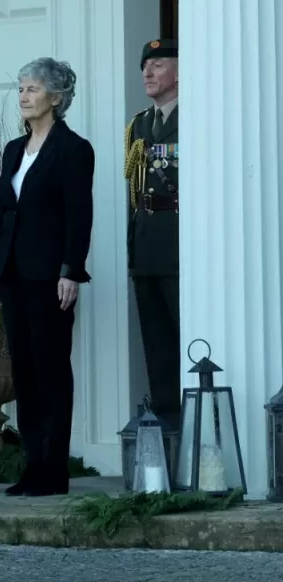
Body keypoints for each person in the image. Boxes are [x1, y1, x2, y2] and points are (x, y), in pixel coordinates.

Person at [0, 58, 95, 497]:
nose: (24, 96)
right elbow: (2, 218)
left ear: (57, 97)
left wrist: (71, 270)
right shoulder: (13, 149)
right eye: (21, 88)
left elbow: (78, 216)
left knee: (50, 370)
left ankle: (53, 468)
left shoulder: (74, 148)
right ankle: (32, 464)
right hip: (12, 275)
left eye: (31, 89)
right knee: (24, 371)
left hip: (51, 277)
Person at [125, 39, 180, 428]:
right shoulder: (140, 123)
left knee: (184, 335)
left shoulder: (197, 113)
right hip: (147, 243)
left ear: (179, 70)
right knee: (156, 343)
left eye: (158, 64)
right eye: (145, 65)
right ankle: (167, 422)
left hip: (181, 241)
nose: (148, 72)